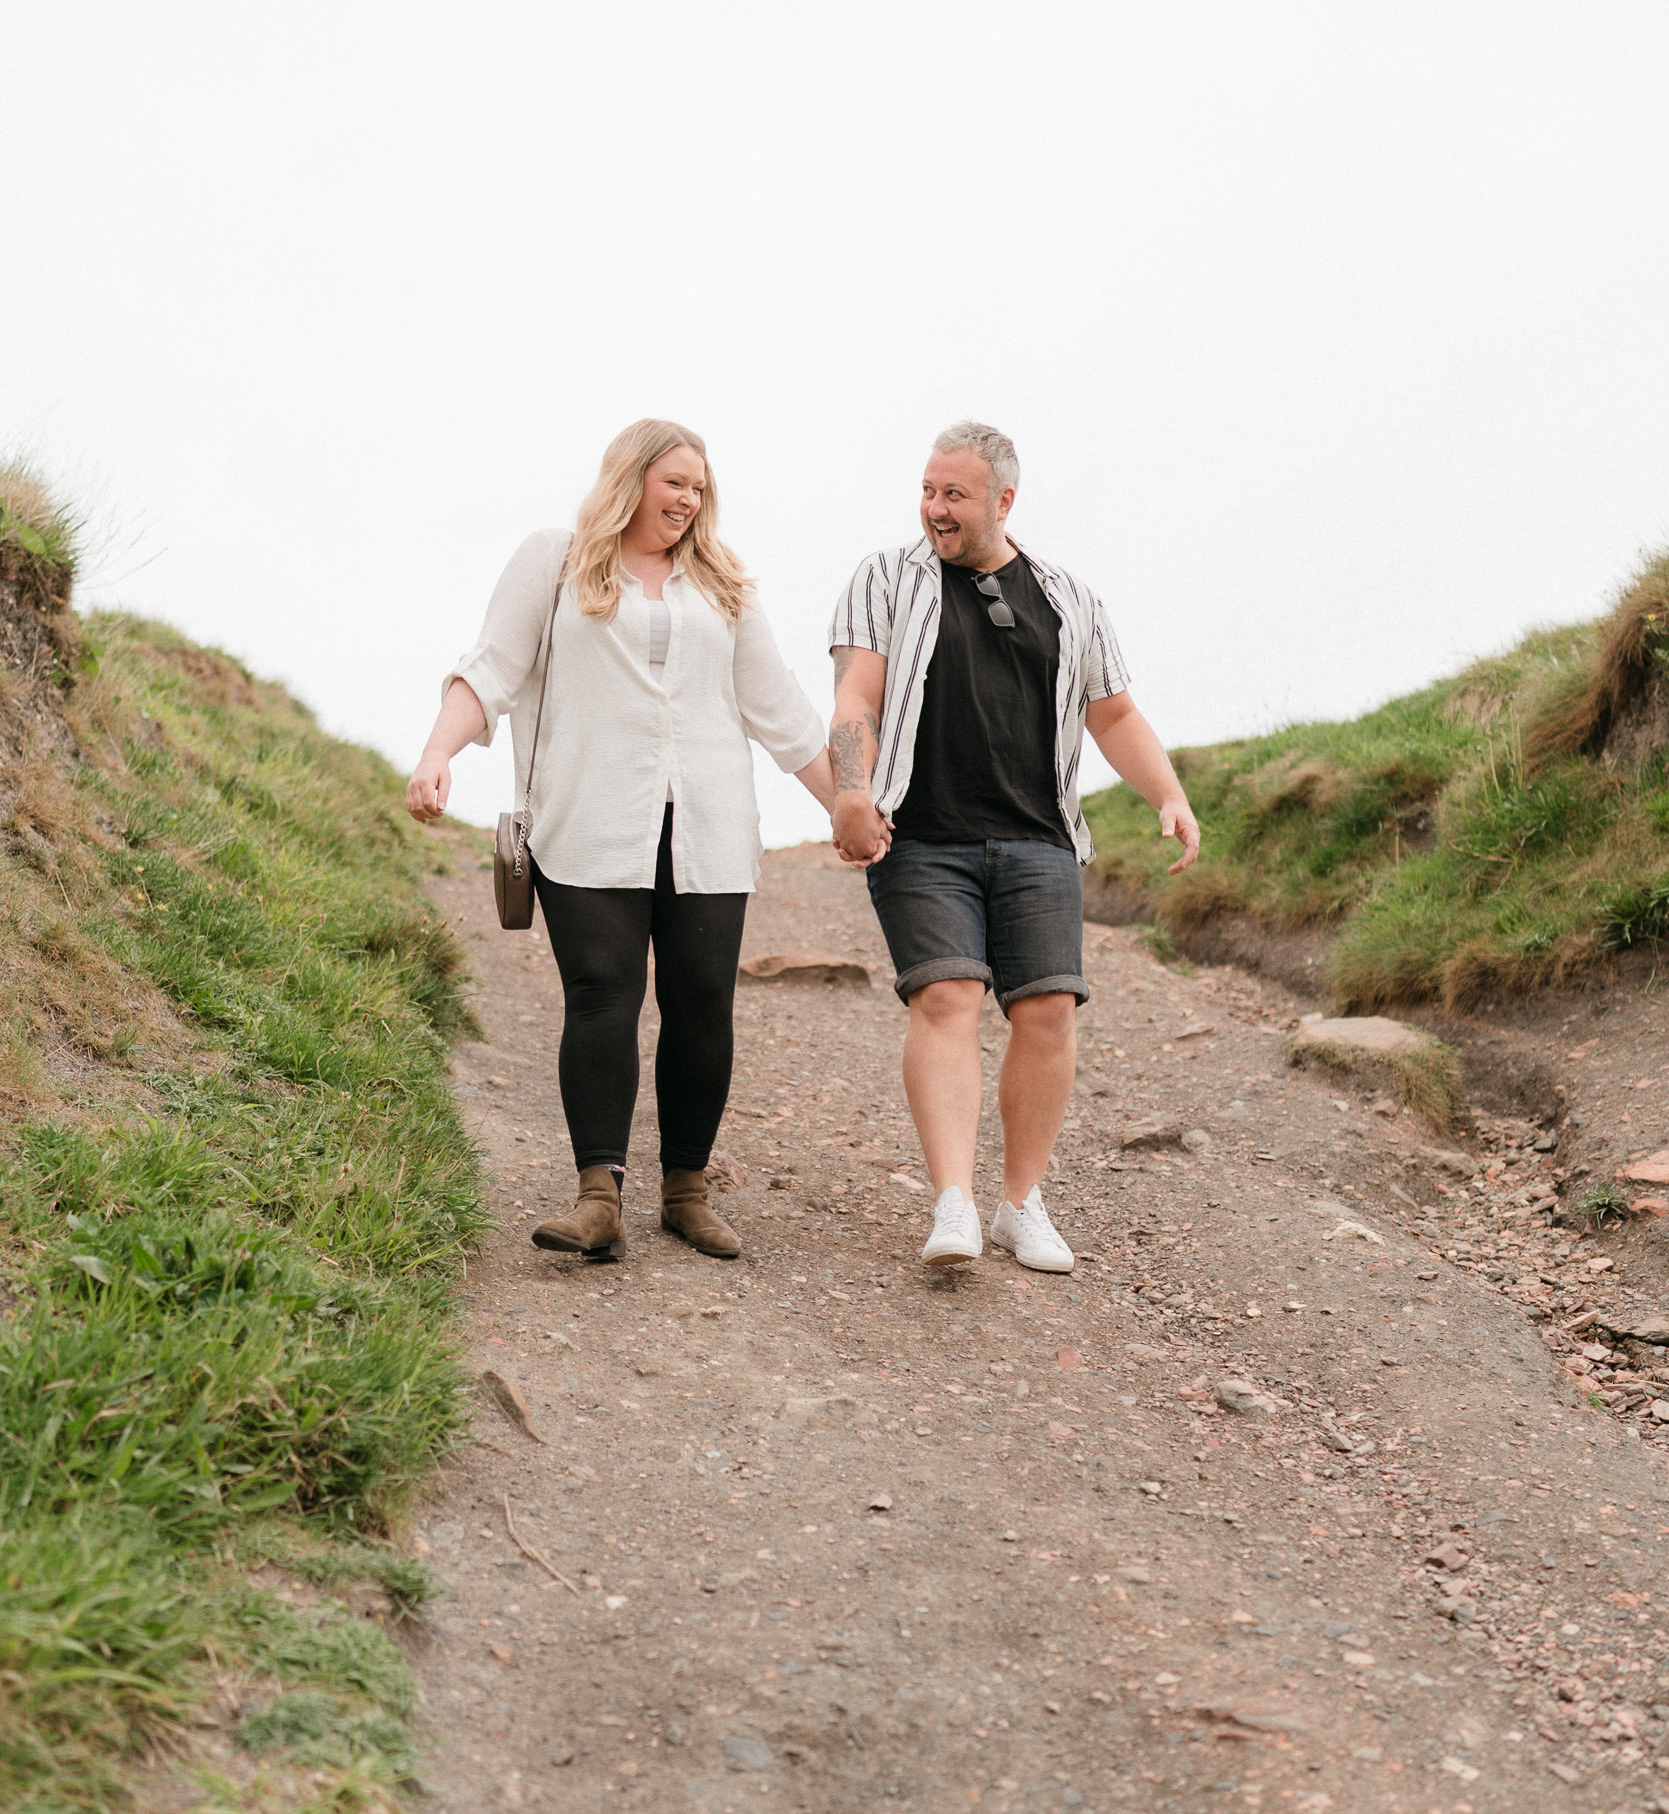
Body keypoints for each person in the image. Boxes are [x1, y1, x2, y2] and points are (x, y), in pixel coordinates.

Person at [408, 420, 834, 1263]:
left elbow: (779, 707)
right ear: (631, 477)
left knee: (702, 1001)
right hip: (589, 819)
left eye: (700, 487)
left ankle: (686, 1192)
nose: (689, 500)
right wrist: (436, 753)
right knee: (602, 993)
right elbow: (490, 668)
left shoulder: (722, 583)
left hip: (709, 824)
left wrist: (848, 805)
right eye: (675, 481)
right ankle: (597, 1197)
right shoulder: (556, 561)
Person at [826, 421, 1200, 1274]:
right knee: (947, 995)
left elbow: (1114, 713)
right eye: (927, 490)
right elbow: (857, 694)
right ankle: (953, 1201)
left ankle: (1019, 1203)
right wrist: (851, 789)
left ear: (1004, 500)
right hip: (922, 836)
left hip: (1038, 838)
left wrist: (1169, 795)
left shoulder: (1070, 598)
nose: (934, 508)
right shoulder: (883, 578)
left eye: (953, 494)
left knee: (1048, 1012)